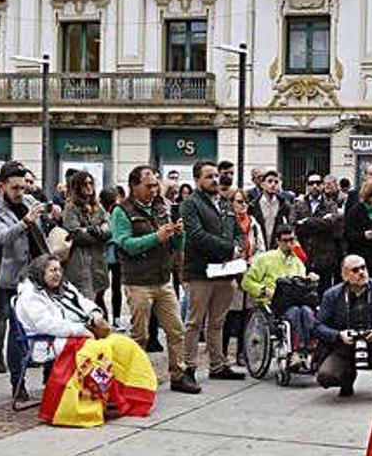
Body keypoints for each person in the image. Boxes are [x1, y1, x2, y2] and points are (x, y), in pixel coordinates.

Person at [14, 255, 156, 426]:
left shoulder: (64, 287)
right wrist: (81, 330)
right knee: (97, 353)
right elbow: (47, 324)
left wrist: (95, 315)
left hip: (82, 334)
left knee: (124, 345)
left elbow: (85, 302)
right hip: (51, 341)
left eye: (59, 270)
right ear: (40, 272)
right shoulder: (30, 296)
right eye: (52, 270)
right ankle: (99, 398)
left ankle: (130, 393)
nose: (57, 274)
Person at [110, 165, 199, 394]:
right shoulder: (122, 211)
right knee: (140, 335)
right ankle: (133, 378)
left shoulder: (161, 206)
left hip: (163, 280)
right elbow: (125, 244)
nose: (153, 190)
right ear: (134, 186)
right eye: (148, 186)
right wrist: (156, 237)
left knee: (176, 329)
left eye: (155, 185)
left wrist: (178, 235)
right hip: (138, 282)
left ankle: (178, 375)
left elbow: (175, 245)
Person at [0, 161, 50, 393]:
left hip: (40, 274)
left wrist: (50, 214)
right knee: (17, 331)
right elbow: (4, 237)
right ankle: (17, 382)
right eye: (15, 188)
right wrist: (25, 222)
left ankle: (49, 378)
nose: (20, 193)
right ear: (2, 186)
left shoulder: (30, 202)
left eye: (23, 188)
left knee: (48, 327)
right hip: (13, 279)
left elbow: (42, 230)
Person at [179, 160, 246, 382]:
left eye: (216, 176)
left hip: (225, 271)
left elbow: (237, 230)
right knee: (194, 321)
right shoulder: (190, 204)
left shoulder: (225, 203)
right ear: (197, 179)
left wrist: (238, 245)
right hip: (201, 271)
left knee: (218, 321)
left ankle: (218, 365)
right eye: (209, 176)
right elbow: (197, 235)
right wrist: (229, 248)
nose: (215, 180)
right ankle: (188, 366)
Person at [315, 255, 372, 397]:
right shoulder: (332, 295)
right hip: (346, 348)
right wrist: (339, 335)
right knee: (326, 377)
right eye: (355, 270)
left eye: (363, 268)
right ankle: (347, 378)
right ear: (344, 275)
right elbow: (317, 326)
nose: (361, 272)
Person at [241, 225, 318, 370]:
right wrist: (264, 291)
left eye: (292, 240)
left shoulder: (298, 262)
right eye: (285, 241)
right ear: (278, 241)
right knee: (295, 312)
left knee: (307, 311)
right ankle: (297, 351)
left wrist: (308, 279)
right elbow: (247, 282)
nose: (289, 244)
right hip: (273, 303)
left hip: (295, 300)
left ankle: (309, 350)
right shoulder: (265, 259)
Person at [223, 188, 265, 364]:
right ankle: (222, 353)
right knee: (228, 317)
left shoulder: (253, 223)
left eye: (245, 202)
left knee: (246, 317)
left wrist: (252, 264)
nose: (243, 206)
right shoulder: (225, 222)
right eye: (239, 202)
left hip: (248, 274)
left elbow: (261, 248)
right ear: (231, 204)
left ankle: (242, 353)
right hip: (230, 275)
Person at [61, 171, 111, 311]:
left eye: (91, 183)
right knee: (84, 301)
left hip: (98, 260)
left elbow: (109, 231)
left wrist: (91, 230)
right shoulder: (71, 207)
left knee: (99, 299)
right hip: (80, 261)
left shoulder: (98, 207)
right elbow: (76, 235)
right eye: (85, 184)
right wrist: (96, 231)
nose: (89, 187)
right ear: (77, 186)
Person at [291, 173, 338, 295]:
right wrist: (321, 222)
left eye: (318, 183)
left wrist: (307, 222)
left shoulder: (330, 204)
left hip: (324, 256)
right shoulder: (298, 204)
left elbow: (331, 225)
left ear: (322, 185)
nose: (315, 186)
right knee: (303, 293)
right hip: (303, 255)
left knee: (324, 293)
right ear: (307, 186)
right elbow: (294, 226)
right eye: (311, 183)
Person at [98, 187, 123, 329]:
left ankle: (116, 318)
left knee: (116, 287)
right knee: (101, 288)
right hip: (104, 255)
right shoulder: (100, 212)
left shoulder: (117, 212)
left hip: (116, 255)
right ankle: (107, 318)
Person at [248, 170, 291, 249]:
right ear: (262, 184)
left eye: (276, 182)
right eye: (270, 181)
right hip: (259, 247)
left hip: (277, 248)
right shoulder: (253, 206)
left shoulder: (284, 205)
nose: (273, 184)